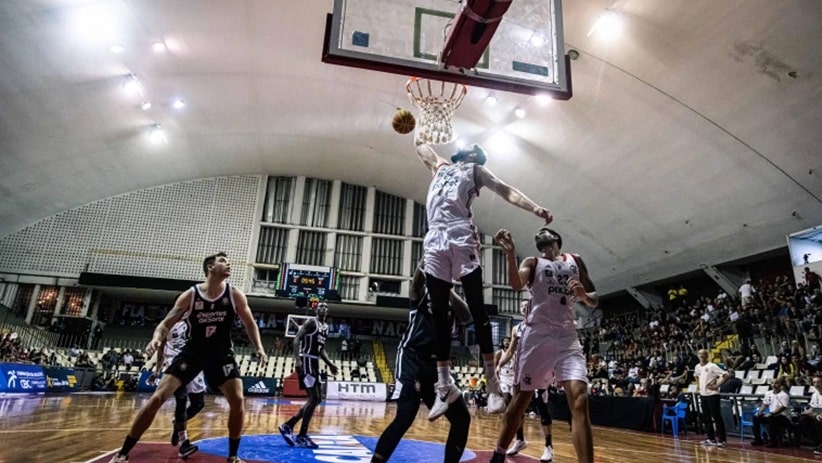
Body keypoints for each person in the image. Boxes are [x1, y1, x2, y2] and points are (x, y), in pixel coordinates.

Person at [413, 142, 552, 421]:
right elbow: (421, 147)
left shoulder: (476, 170)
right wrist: (420, 125)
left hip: (460, 233)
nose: (469, 145)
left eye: (474, 147)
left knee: (477, 307)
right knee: (438, 312)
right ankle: (445, 386)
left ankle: (492, 384)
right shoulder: (441, 167)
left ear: (474, 155)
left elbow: (505, 189)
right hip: (435, 236)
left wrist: (534, 208)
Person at [108, 252, 267, 463]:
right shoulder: (190, 295)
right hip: (194, 351)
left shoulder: (234, 294)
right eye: (223, 261)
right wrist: (156, 338)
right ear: (210, 267)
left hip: (221, 353)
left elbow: (250, 323)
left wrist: (259, 347)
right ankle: (123, 453)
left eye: (229, 262)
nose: (229, 264)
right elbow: (165, 324)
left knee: (238, 401)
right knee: (157, 398)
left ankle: (233, 457)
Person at [490, 227, 598, 463]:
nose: (538, 232)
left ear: (556, 238)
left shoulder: (575, 260)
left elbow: (594, 300)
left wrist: (583, 295)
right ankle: (498, 455)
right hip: (537, 336)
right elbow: (516, 284)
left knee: (580, 399)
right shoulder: (533, 262)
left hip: (567, 336)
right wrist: (510, 254)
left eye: (544, 230)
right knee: (521, 400)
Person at [371, 260, 471, 463]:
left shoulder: (451, 300)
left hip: (437, 366)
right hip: (412, 357)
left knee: (462, 417)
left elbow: (467, 317)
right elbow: (415, 285)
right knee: (406, 414)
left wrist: (447, 290)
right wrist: (427, 258)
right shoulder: (423, 294)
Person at [496, 300, 555, 462]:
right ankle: (520, 439)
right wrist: (499, 365)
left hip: (540, 370)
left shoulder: (542, 325)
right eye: (521, 306)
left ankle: (548, 446)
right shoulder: (517, 329)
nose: (523, 307)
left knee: (542, 407)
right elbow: (510, 352)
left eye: (526, 305)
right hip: (522, 372)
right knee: (517, 408)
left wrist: (553, 369)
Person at [278, 302, 339, 449]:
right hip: (306, 360)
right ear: (316, 310)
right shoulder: (311, 322)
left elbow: (321, 349)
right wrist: (297, 361)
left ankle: (289, 425)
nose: (323, 308)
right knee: (315, 397)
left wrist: (330, 364)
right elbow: (296, 340)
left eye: (326, 307)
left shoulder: (326, 328)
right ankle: (301, 435)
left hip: (315, 363)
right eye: (320, 306)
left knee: (316, 399)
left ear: (328, 311)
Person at [147, 319, 208, 458]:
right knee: (181, 399)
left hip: (193, 363)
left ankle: (177, 423)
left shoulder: (197, 321)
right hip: (175, 363)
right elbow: (161, 350)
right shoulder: (169, 323)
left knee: (198, 404)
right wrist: (157, 371)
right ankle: (184, 442)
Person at [693, 349, 730, 447]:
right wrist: (699, 385)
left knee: (717, 417)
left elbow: (726, 375)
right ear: (697, 355)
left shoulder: (712, 366)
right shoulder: (697, 367)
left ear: (707, 356)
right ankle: (711, 438)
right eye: (700, 354)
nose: (701, 355)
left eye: (704, 354)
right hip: (703, 395)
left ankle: (722, 440)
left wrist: (717, 385)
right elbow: (696, 376)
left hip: (713, 395)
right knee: (706, 417)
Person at [750, 377, 791, 447]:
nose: (773, 385)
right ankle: (758, 439)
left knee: (772, 419)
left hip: (783, 417)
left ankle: (774, 442)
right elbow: (765, 404)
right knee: (756, 418)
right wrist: (759, 412)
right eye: (772, 383)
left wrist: (771, 414)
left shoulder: (784, 395)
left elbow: (782, 408)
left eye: (776, 383)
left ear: (780, 385)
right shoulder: (768, 393)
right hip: (772, 415)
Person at [798, 374, 822, 455]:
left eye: (818, 382)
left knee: (818, 420)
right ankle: (817, 443)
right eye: (814, 382)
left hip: (820, 414)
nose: (816, 384)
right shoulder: (815, 394)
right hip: (816, 413)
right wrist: (802, 413)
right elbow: (812, 408)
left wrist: (818, 415)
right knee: (803, 420)